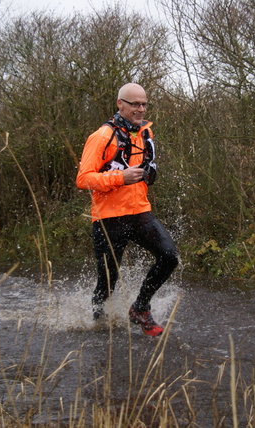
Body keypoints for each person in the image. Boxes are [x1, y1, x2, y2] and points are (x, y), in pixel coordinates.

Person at [76, 83, 179, 337]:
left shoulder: (145, 134)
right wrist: (120, 178)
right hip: (108, 218)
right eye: (135, 104)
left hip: (140, 212)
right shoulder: (101, 136)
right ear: (120, 104)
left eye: (144, 104)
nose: (140, 109)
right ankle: (97, 325)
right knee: (107, 282)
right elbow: (83, 179)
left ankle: (140, 307)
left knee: (169, 256)